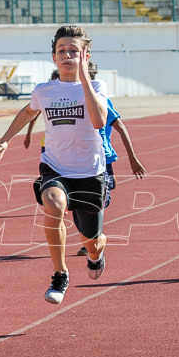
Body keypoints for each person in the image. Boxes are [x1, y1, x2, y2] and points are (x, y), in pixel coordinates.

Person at [0, 25, 109, 305]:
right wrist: (5, 141)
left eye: (74, 51)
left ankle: (96, 253)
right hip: (55, 167)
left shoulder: (97, 86)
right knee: (53, 206)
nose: (67, 55)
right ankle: (60, 272)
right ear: (54, 57)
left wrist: (84, 77)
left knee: (91, 241)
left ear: (85, 55)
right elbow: (28, 111)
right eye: (61, 51)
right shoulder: (45, 90)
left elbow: (99, 121)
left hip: (89, 172)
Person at [76, 60, 148, 254]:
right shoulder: (72, 98)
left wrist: (132, 158)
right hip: (79, 160)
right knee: (77, 206)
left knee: (96, 201)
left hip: (102, 159)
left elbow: (121, 127)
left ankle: (91, 238)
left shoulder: (102, 101)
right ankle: (88, 237)